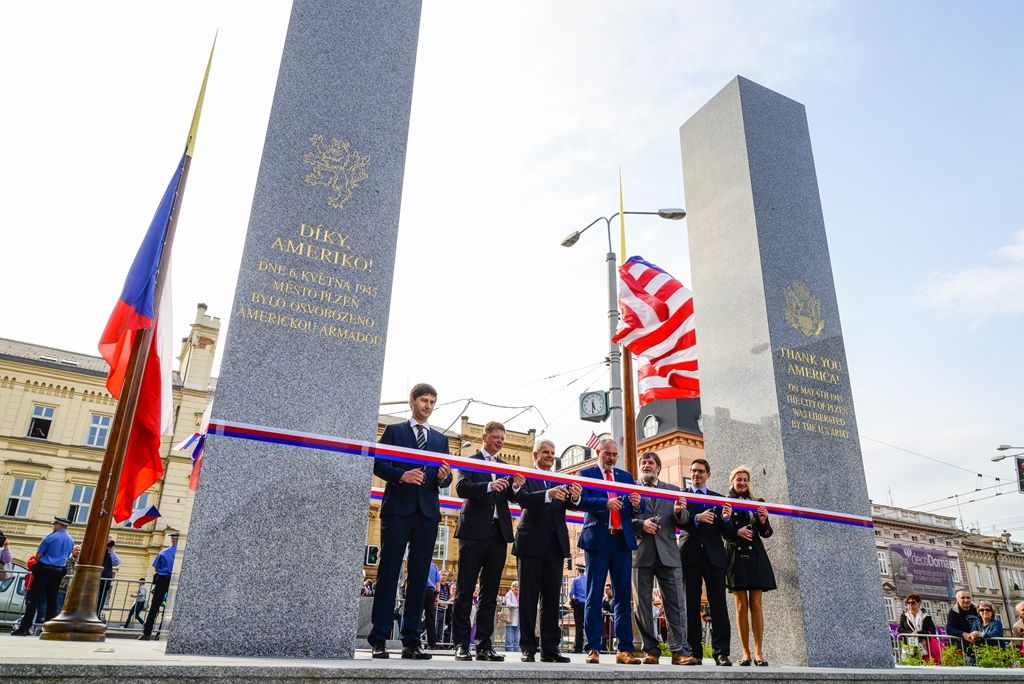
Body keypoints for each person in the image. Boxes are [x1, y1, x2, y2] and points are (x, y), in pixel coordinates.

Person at [368, 383, 453, 660]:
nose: (428, 406)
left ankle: (411, 641)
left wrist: (444, 478)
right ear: (412, 401)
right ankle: (379, 639)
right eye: (424, 400)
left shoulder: (440, 440)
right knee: (389, 573)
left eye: (432, 402)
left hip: (428, 514)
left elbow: (448, 475)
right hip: (397, 511)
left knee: (419, 579)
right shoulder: (394, 432)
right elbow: (377, 463)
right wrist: (400, 476)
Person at [452, 421, 522, 662]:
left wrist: (515, 486)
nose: (500, 441)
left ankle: (484, 644)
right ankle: (461, 644)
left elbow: (511, 497)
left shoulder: (505, 466)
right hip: (472, 532)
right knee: (465, 590)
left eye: (502, 438)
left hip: (497, 534)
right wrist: (489, 485)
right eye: (496, 437)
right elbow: (461, 488)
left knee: (490, 593)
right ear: (485, 437)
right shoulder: (470, 460)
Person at [576, 438, 644, 664]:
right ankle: (593, 648)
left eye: (615, 455)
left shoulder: (625, 477)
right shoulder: (586, 474)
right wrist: (604, 504)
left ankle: (624, 649)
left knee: (623, 598)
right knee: (594, 596)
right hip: (597, 540)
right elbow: (581, 501)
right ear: (598, 452)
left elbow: (639, 507)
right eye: (608, 454)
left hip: (621, 542)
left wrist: (636, 503)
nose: (612, 459)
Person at [511, 439, 580, 663]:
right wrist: (549, 494)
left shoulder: (561, 479)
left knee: (551, 600)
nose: (550, 456)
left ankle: (550, 648)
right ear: (535, 454)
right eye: (545, 452)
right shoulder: (526, 474)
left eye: (552, 452)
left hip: (555, 546)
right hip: (530, 543)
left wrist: (576, 495)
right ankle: (528, 648)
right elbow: (521, 499)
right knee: (529, 598)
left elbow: (573, 503)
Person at [630, 451, 697, 666]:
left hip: (669, 554)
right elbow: (622, 519)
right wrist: (641, 525)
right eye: (643, 462)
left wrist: (679, 512)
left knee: (676, 604)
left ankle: (680, 651)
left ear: (658, 468)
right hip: (641, 554)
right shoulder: (630, 489)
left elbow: (684, 520)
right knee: (642, 605)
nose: (647, 465)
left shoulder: (673, 490)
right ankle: (651, 650)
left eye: (651, 462)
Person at [680, 458, 735, 666]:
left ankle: (721, 653)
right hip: (689, 556)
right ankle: (694, 652)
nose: (696, 474)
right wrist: (696, 518)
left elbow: (727, 532)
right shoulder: (682, 496)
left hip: (714, 558)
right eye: (693, 471)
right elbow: (678, 520)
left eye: (701, 471)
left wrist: (727, 519)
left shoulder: (719, 499)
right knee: (690, 605)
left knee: (719, 605)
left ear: (708, 474)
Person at [724, 465, 776, 667]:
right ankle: (745, 653)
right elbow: (722, 531)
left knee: (756, 604)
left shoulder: (757, 503)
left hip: (755, 555)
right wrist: (734, 530)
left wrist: (763, 520)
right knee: (740, 606)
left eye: (745, 479)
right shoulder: (724, 501)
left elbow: (767, 533)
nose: (742, 483)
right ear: (732, 481)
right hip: (735, 554)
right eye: (739, 479)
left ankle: (759, 652)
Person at [12, 516, 74, 636]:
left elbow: (38, 556)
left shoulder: (49, 537)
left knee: (33, 599)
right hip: (58, 571)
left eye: (54, 525)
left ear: (57, 525)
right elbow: (67, 556)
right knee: (52, 601)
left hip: (44, 570)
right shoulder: (71, 540)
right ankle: (49, 628)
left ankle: (25, 627)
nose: (53, 527)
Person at [139, 531, 178, 640]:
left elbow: (156, 568)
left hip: (161, 580)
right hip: (174, 581)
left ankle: (147, 634)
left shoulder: (163, 552)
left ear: (171, 540)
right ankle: (162, 633)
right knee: (170, 608)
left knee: (154, 607)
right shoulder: (182, 554)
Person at [897, 593, 938, 662]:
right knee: (909, 664)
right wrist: (911, 633)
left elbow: (932, 631)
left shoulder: (926, 617)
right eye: (908, 603)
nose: (910, 604)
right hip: (908, 645)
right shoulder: (904, 616)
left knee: (924, 665)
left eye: (913, 602)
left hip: (923, 646)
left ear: (918, 604)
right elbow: (900, 630)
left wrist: (919, 633)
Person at [946, 589, 980, 665]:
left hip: (980, 647)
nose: (966, 600)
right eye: (963, 598)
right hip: (963, 649)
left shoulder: (978, 609)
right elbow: (949, 629)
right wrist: (964, 634)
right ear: (957, 599)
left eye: (968, 598)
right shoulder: (953, 612)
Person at [97, 539, 121, 620]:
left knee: (100, 602)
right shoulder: (98, 550)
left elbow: (117, 562)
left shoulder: (110, 554)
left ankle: (97, 615)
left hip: (104, 583)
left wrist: (111, 550)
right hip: (95, 581)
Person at [56, 544, 81, 612]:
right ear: (72, 551)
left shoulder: (80, 562)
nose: (78, 551)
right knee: (58, 607)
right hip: (63, 587)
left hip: (73, 588)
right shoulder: (67, 560)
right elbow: (70, 573)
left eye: (79, 550)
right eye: (76, 550)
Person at [568, 564, 587, 653]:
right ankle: (588, 647)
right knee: (586, 625)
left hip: (579, 604)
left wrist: (572, 600)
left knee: (579, 626)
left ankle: (578, 648)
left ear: (577, 570)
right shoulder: (588, 579)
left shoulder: (575, 580)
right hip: (587, 604)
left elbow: (571, 593)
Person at [423, 561, 441, 649]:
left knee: (416, 616)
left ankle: (414, 642)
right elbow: (438, 583)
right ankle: (432, 644)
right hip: (430, 592)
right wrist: (437, 596)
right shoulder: (434, 566)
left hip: (419, 589)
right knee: (430, 617)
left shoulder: (418, 561)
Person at [436, 570, 454, 645]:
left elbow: (450, 597)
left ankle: (438, 643)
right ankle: (432, 643)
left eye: (446, 575)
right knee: (434, 627)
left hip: (443, 610)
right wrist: (441, 602)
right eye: (443, 575)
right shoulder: (437, 584)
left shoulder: (447, 586)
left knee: (440, 628)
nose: (444, 577)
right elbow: (435, 595)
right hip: (436, 609)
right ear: (439, 575)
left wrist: (447, 601)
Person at [502, 582, 520, 653]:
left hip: (518, 620)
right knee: (509, 639)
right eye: (514, 586)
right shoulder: (509, 594)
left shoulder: (521, 594)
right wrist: (518, 605)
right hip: (509, 619)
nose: (516, 588)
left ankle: (515, 653)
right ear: (511, 587)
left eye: (517, 586)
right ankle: (509, 653)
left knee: (517, 639)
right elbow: (509, 604)